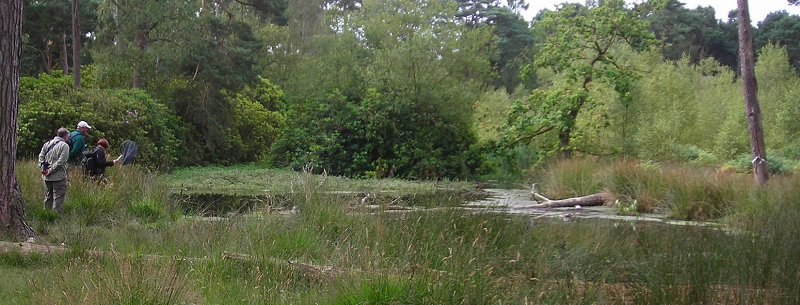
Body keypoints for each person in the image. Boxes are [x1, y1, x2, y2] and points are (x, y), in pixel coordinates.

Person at [38, 128, 71, 213]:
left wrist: (43, 168)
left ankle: (46, 214)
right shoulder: (64, 146)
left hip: (46, 176)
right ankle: (56, 216)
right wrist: (51, 170)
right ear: (65, 136)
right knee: (58, 196)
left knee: (48, 195)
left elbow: (41, 157)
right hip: (59, 176)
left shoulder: (47, 144)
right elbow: (61, 161)